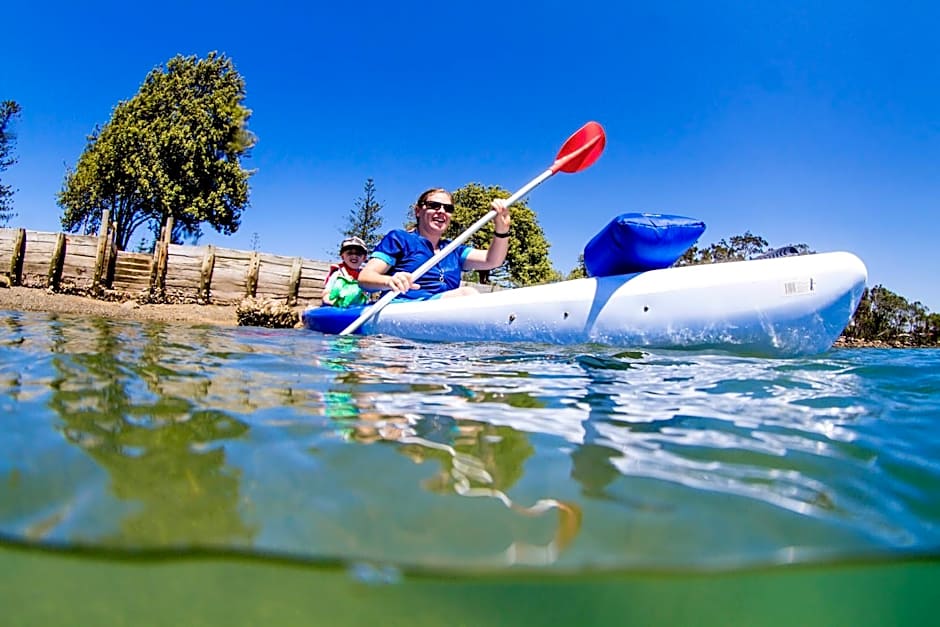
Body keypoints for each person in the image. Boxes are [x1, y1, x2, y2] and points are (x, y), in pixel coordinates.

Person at [357, 188, 511, 300]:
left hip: (441, 311)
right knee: (467, 294)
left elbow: (493, 260)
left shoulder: (454, 250)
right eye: (434, 205)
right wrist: (389, 281)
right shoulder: (399, 238)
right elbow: (365, 278)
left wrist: (502, 230)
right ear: (418, 211)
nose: (442, 211)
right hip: (403, 307)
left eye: (448, 208)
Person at [321, 236, 369, 307]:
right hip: (337, 310)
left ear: (364, 258)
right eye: (349, 253)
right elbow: (326, 293)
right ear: (342, 256)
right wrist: (335, 302)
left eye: (358, 253)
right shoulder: (338, 273)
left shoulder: (365, 275)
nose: (354, 256)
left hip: (358, 310)